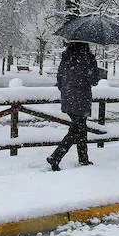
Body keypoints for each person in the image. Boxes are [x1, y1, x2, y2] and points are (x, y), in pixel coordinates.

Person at [47, 41, 99, 171]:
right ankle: (56, 156)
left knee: (80, 128)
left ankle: (83, 158)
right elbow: (94, 80)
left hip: (68, 96)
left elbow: (59, 79)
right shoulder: (88, 58)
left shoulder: (66, 57)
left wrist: (67, 90)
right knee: (77, 129)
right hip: (82, 98)